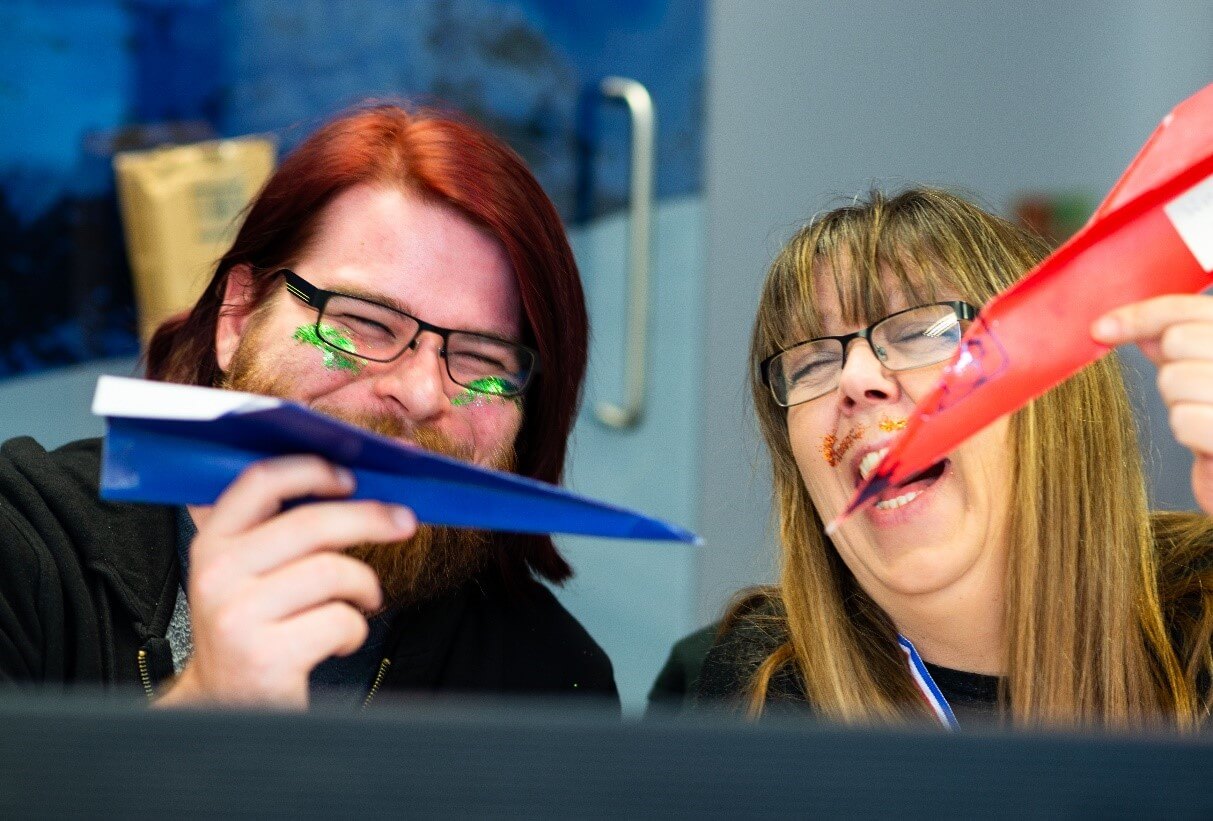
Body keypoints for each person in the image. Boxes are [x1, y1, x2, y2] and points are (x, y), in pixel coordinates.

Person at [0, 102, 618, 709]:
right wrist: (208, 707)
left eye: (483, 359)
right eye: (364, 322)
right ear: (237, 317)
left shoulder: (547, 680)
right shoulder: (26, 549)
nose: (423, 394)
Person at [697, 188, 1213, 730]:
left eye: (922, 331)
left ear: (1053, 389)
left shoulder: (1202, 612)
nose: (854, 379)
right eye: (810, 364)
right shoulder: (764, 687)